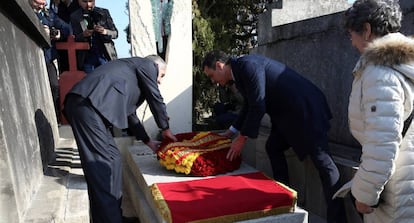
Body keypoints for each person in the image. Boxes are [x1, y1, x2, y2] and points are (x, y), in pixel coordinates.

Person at [202, 50, 346, 223]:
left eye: (211, 76)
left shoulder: (247, 65)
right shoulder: (238, 72)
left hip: (305, 111)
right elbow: (249, 104)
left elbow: (258, 104)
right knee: (273, 147)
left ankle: (338, 219)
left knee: (324, 164)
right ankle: (284, 197)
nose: (213, 81)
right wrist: (232, 131)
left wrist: (242, 138)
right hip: (287, 116)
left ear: (219, 65)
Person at [63, 55, 177, 223]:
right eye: (162, 75)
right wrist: (165, 129)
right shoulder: (147, 64)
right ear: (156, 66)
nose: (159, 81)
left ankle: (112, 216)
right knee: (102, 167)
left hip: (92, 109)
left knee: (114, 159)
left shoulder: (131, 78)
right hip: (87, 105)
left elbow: (131, 116)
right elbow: (155, 97)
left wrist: (148, 142)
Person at [339, 0, 414, 222]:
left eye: (351, 34)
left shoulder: (380, 73)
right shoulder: (405, 65)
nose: (352, 42)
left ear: (367, 30)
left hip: (397, 191)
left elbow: (382, 143)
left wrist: (365, 195)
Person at [29, 0, 71, 123]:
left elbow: (67, 29)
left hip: (47, 57)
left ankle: (51, 114)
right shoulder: (27, 10)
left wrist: (57, 35)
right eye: (38, 3)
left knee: (54, 85)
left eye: (43, 3)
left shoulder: (48, 15)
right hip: (32, 55)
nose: (41, 6)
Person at [70, 0, 118, 73]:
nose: (88, 4)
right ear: (79, 2)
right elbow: (73, 38)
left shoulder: (103, 13)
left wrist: (104, 31)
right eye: (85, 2)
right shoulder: (75, 16)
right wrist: (83, 35)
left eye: (91, 1)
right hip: (86, 57)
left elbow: (115, 33)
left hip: (105, 55)